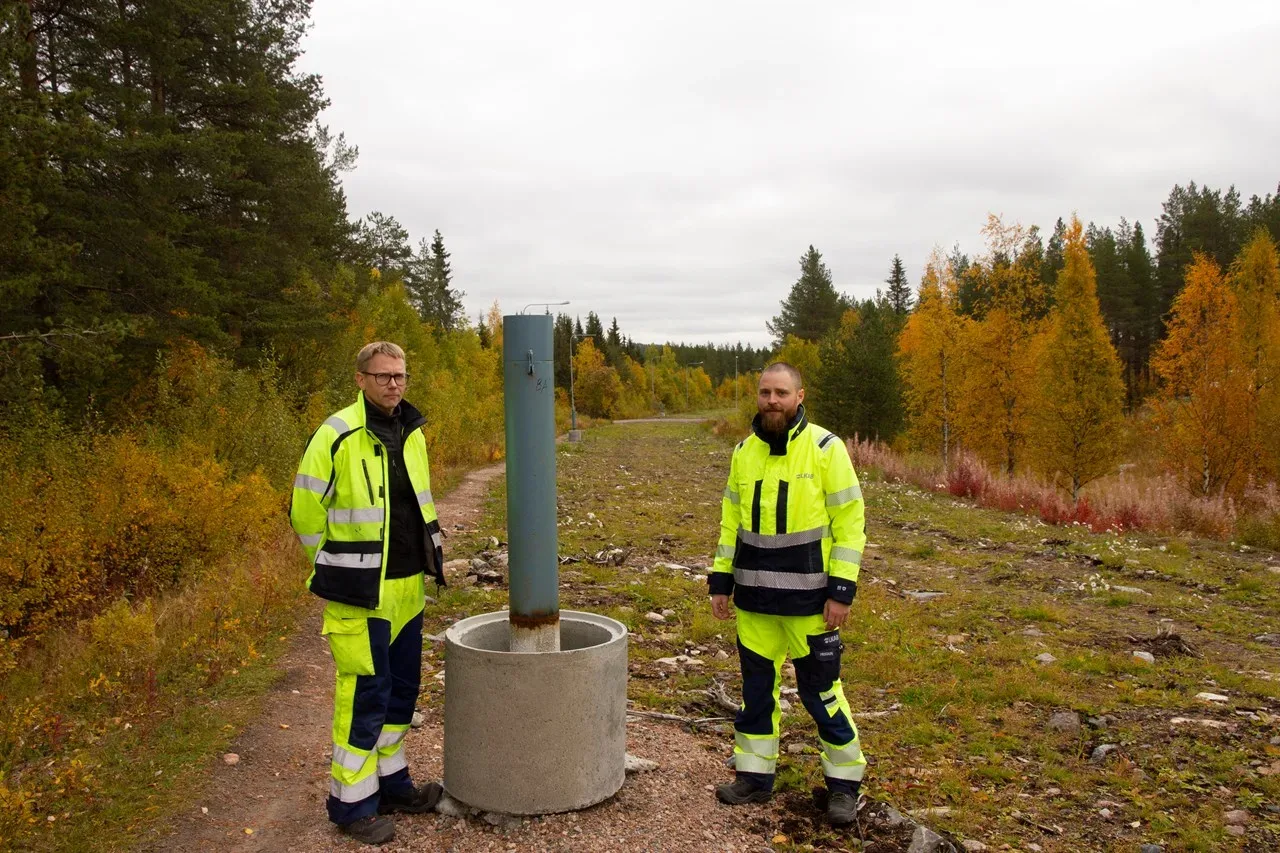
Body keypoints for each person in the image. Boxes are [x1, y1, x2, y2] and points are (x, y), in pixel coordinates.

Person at [290, 341, 445, 845]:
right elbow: (305, 512)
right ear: (360, 379)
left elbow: (417, 504)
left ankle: (392, 782)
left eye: (400, 375)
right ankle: (351, 805)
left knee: (402, 693)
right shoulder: (336, 435)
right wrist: (333, 567)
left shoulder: (412, 432)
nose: (393, 384)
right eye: (382, 376)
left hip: (407, 589)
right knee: (364, 696)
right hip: (360, 594)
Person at [709, 362, 868, 827]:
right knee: (756, 694)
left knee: (823, 695)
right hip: (754, 605)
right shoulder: (743, 452)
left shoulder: (826, 448)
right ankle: (754, 778)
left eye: (781, 392)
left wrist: (841, 591)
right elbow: (730, 523)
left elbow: (850, 524)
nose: (772, 401)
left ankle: (843, 787)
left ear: (800, 396)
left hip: (810, 606)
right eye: (764, 392)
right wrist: (721, 581)